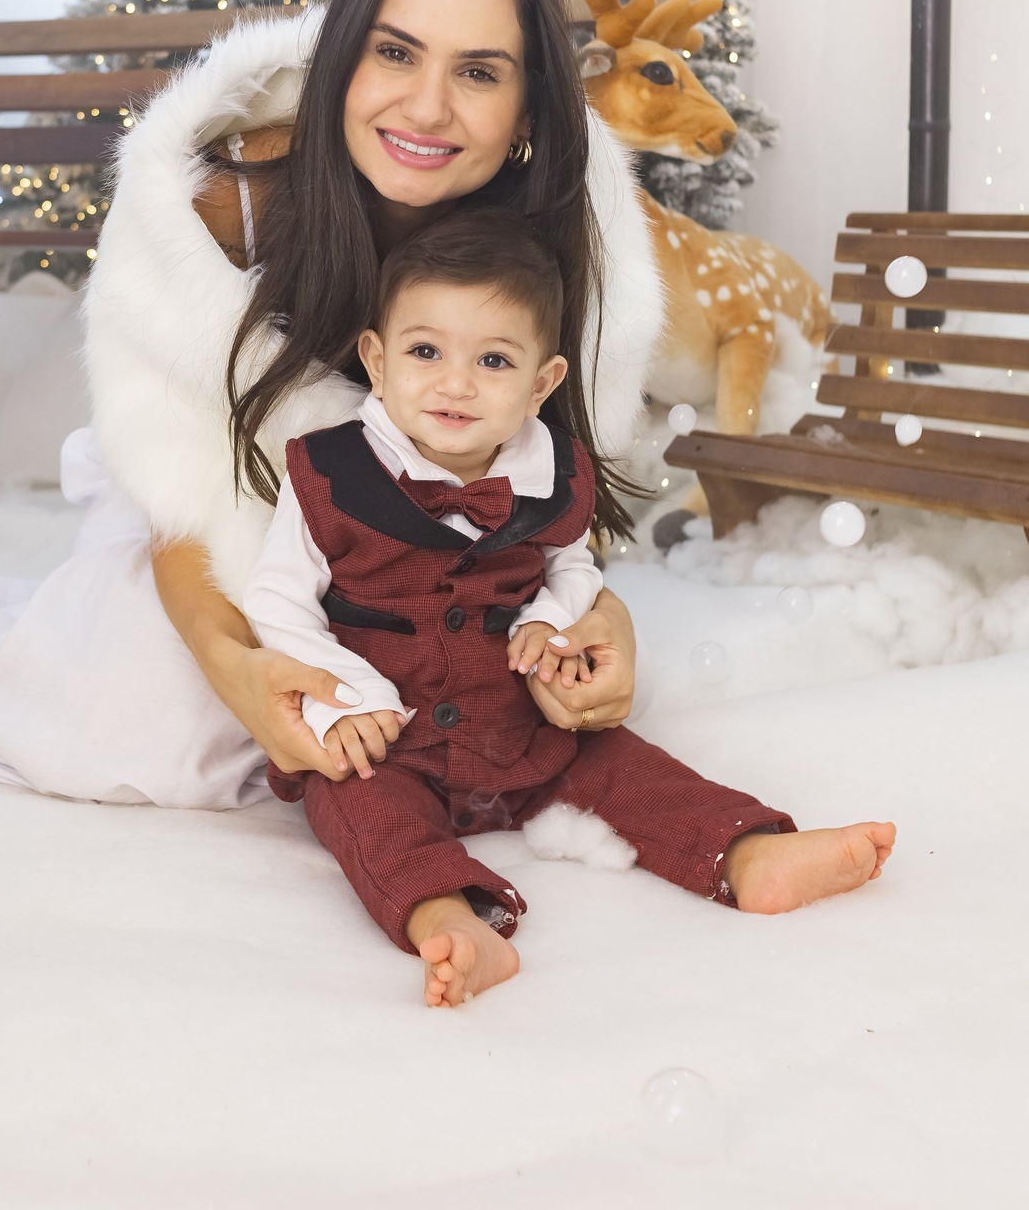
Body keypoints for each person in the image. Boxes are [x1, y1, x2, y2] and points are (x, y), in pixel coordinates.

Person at [0, 0, 659, 806]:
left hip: (426, 538)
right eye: (394, 52)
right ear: (343, 54)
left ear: (529, 103)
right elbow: (182, 488)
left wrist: (597, 619)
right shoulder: (225, 201)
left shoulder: (568, 244)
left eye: (478, 72)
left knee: (493, 721)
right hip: (220, 499)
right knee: (165, 733)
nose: (426, 106)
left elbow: (554, 489)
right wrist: (234, 665)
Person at [244, 212, 898, 1007]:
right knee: (354, 803)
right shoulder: (330, 470)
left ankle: (748, 854)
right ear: (377, 361)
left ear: (542, 384)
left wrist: (548, 623)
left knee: (623, 763)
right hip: (391, 740)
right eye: (425, 352)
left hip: (522, 730)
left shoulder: (551, 470)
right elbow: (278, 602)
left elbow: (572, 567)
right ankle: (451, 919)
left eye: (493, 360)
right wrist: (345, 700)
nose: (455, 383)